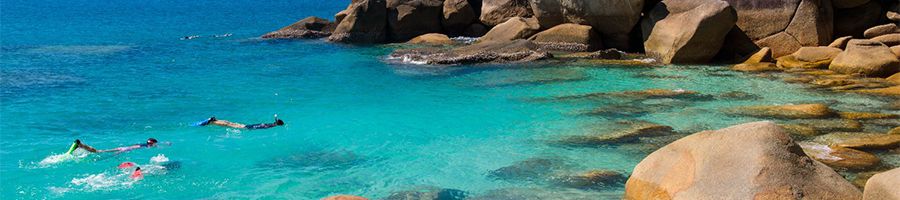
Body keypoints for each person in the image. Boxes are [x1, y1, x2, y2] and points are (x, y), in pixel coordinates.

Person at [73, 138, 158, 154]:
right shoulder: (146, 146)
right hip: (124, 149)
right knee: (100, 152)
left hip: (123, 148)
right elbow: (133, 148)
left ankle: (81, 145)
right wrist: (120, 152)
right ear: (152, 143)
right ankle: (81, 145)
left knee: (100, 151)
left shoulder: (142, 144)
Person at [198, 115, 285, 130]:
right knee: (230, 125)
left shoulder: (272, 124)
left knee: (231, 123)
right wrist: (276, 121)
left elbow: (275, 122)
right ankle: (212, 122)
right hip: (249, 128)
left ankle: (215, 120)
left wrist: (276, 119)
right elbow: (274, 123)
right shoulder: (272, 125)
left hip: (250, 126)